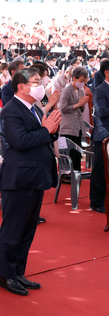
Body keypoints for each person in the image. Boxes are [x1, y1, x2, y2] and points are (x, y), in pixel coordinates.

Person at [0, 68, 61, 295]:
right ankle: (6, 275)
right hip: (19, 179)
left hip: (35, 177)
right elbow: (21, 141)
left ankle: (18, 272)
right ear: (21, 87)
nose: (40, 85)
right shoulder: (11, 111)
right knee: (13, 229)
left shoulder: (33, 108)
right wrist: (46, 130)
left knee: (27, 229)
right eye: (35, 82)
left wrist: (51, 130)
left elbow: (42, 135)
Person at [58, 66, 89, 171]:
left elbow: (80, 109)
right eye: (81, 81)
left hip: (77, 127)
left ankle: (76, 174)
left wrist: (82, 104)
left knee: (77, 154)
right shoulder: (67, 90)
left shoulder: (80, 90)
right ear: (74, 78)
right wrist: (78, 104)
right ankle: (68, 175)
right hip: (68, 127)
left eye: (84, 81)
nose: (82, 83)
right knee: (70, 153)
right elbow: (62, 108)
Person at [89, 59, 109, 213]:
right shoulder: (100, 90)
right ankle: (96, 202)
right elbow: (101, 112)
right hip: (103, 135)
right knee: (101, 170)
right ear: (107, 72)